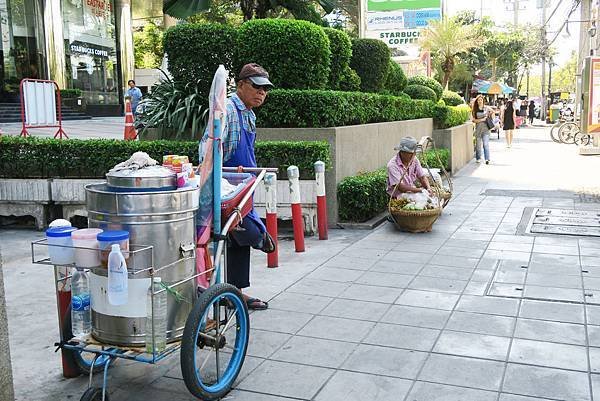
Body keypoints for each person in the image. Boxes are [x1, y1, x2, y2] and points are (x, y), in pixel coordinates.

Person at [200, 63, 276, 310]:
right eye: (256, 87)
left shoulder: (248, 114)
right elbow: (209, 152)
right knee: (243, 234)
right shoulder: (228, 110)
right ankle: (227, 291)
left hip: (244, 188)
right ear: (241, 84)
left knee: (238, 242)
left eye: (265, 89)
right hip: (228, 189)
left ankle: (234, 292)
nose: (261, 93)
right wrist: (228, 179)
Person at [471, 95, 492, 164]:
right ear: (477, 101)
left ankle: (487, 159)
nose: (480, 101)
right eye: (478, 100)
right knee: (478, 146)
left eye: (481, 100)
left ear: (483, 101)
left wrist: (491, 117)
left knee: (486, 144)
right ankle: (478, 158)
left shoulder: (486, 108)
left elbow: (493, 111)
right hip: (478, 130)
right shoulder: (475, 109)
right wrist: (482, 119)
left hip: (486, 129)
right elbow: (473, 120)